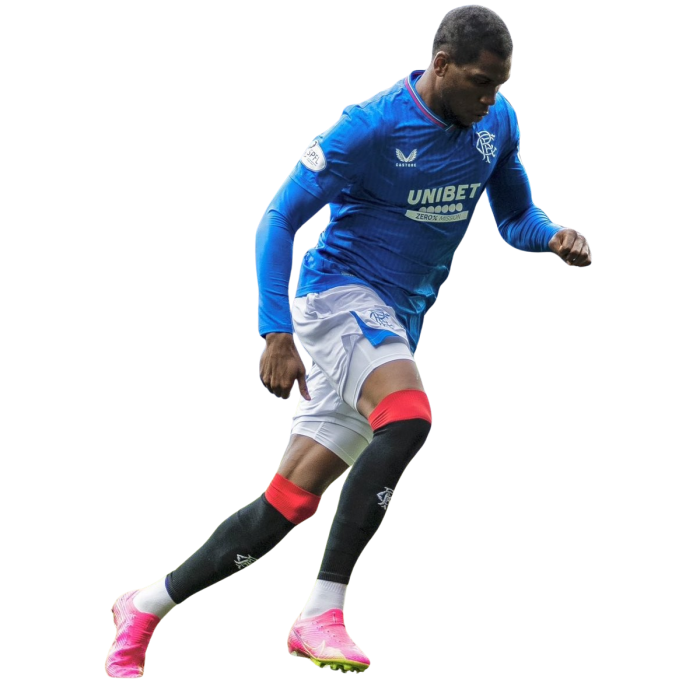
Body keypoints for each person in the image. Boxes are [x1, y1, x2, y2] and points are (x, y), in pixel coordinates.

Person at [104, 4, 592, 679]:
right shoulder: (369, 127)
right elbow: (278, 219)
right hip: (339, 299)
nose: (491, 99)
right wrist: (275, 331)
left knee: (288, 504)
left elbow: (515, 216)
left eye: (501, 85)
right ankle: (321, 613)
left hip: (393, 324)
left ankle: (145, 605)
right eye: (481, 83)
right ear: (441, 65)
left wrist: (554, 236)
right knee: (409, 417)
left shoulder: (496, 124)